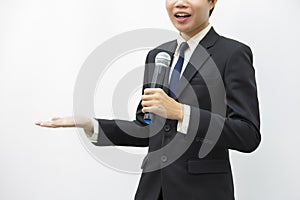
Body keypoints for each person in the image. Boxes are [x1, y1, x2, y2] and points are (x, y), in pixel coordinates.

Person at [36, 0, 261, 199]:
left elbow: (247, 134)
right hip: (152, 190)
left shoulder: (233, 54)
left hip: (203, 192)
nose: (180, 3)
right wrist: (91, 124)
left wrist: (182, 113)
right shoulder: (158, 55)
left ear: (212, 2)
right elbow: (146, 128)